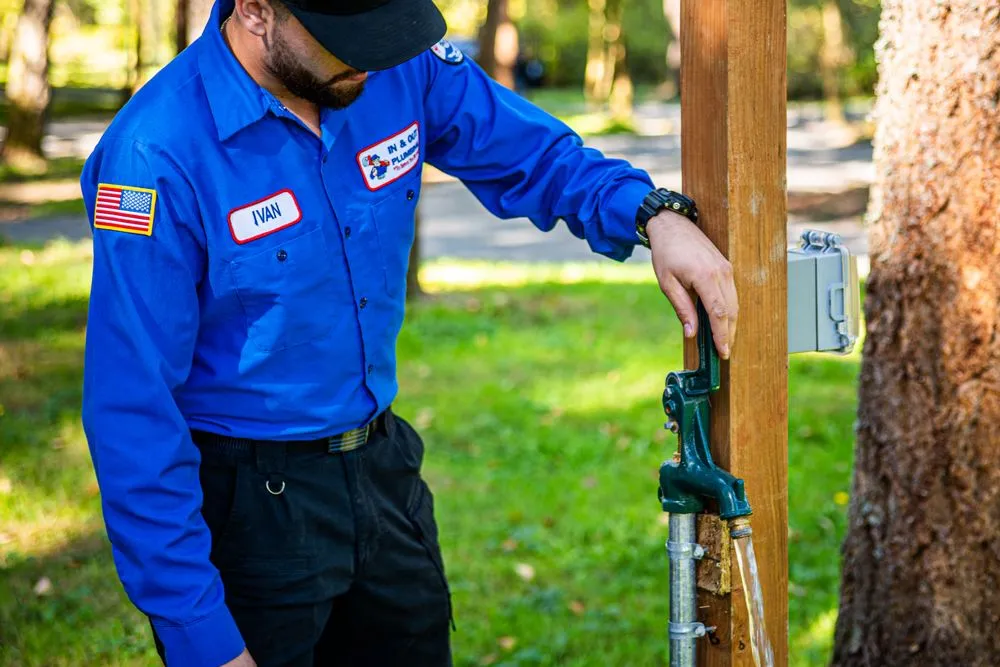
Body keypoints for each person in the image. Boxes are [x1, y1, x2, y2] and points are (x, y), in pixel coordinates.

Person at [78, 0, 738, 665]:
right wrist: (200, 634)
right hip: (250, 508)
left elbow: (533, 154)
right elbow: (133, 410)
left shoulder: (392, 65)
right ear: (255, 11)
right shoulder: (154, 153)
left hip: (382, 470)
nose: (373, 57)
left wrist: (652, 214)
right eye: (346, 35)